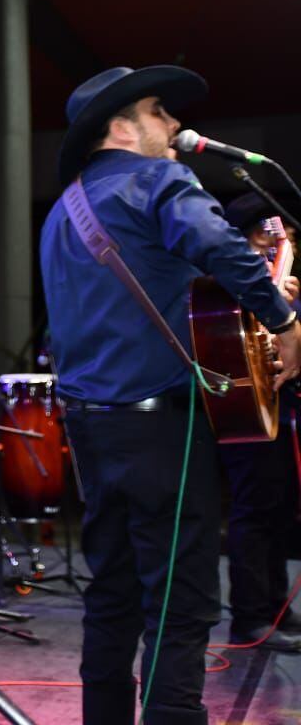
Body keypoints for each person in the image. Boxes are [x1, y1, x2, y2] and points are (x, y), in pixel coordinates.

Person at [39, 65, 301, 725]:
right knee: (180, 601)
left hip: (91, 428)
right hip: (165, 428)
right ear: (121, 128)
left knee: (114, 594)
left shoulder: (60, 213)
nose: (177, 125)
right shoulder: (157, 178)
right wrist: (284, 321)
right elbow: (220, 246)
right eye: (160, 112)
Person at [217, 192, 301, 650]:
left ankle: (276, 609)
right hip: (246, 405)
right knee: (254, 508)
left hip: (279, 403)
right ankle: (251, 617)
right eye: (262, 234)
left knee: (279, 507)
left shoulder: (281, 278)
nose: (276, 241)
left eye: (283, 234)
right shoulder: (231, 279)